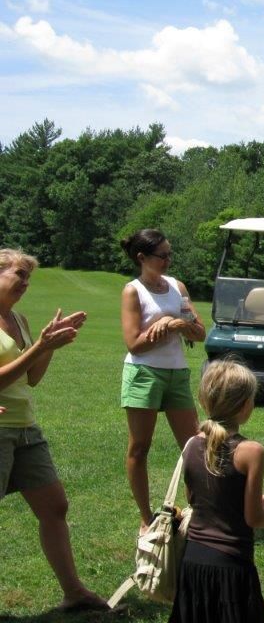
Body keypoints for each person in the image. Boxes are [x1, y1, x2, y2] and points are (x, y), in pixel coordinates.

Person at [0, 248, 110, 613]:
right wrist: (41, 347)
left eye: (28, 277)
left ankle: (74, 592)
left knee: (55, 506)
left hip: (25, 427)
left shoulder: (19, 319)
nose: (25, 283)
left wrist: (51, 345)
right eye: (18, 275)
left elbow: (32, 378)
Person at [170, 358, 264, 623]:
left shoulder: (192, 444)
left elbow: (194, 499)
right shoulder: (251, 451)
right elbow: (253, 519)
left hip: (193, 560)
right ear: (245, 407)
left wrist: (243, 501)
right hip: (231, 564)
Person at [120, 228, 206, 532]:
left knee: (194, 447)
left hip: (177, 373)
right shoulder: (133, 290)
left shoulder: (177, 287)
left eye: (170, 254)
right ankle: (147, 519)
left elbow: (199, 332)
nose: (168, 260)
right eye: (162, 255)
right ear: (142, 258)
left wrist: (176, 323)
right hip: (144, 374)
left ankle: (199, 514)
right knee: (140, 448)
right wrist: (168, 326)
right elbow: (134, 343)